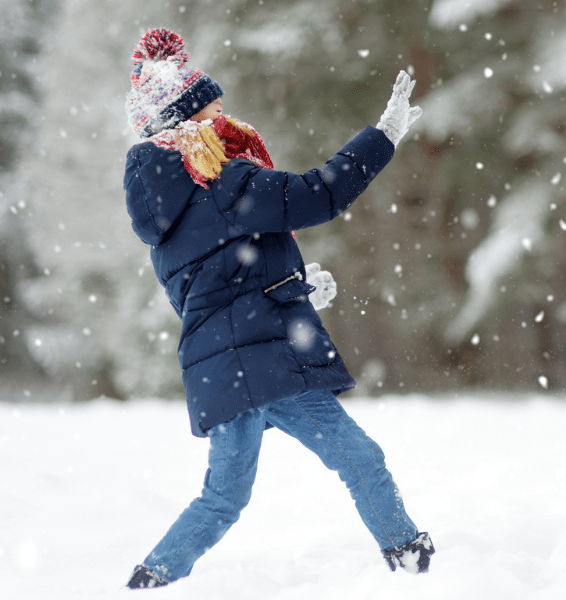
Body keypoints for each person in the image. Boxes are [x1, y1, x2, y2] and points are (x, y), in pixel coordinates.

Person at [120, 27, 433, 588]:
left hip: (223, 367)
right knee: (361, 458)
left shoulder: (163, 212)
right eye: (215, 105)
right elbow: (319, 193)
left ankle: (151, 578)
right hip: (267, 365)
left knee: (223, 497)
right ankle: (411, 558)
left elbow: (208, 292)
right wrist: (383, 136)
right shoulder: (215, 177)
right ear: (190, 120)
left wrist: (294, 287)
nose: (226, 113)